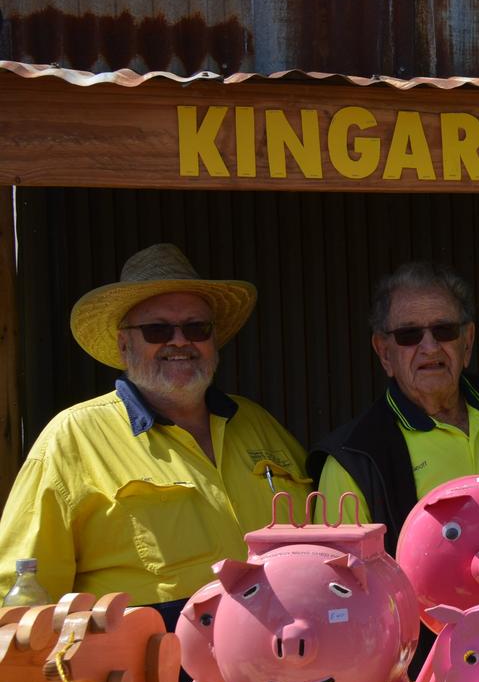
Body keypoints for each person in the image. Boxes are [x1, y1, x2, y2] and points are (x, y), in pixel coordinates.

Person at [0, 243, 312, 629]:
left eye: (196, 328)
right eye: (157, 329)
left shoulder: (258, 423)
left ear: (213, 341)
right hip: (148, 676)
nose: (179, 341)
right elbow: (21, 599)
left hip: (285, 665)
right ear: (123, 344)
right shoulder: (72, 439)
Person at [309, 260, 479, 555]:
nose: (430, 347)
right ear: (385, 353)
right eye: (409, 335)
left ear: (468, 342)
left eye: (444, 330)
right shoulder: (353, 460)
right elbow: (340, 583)